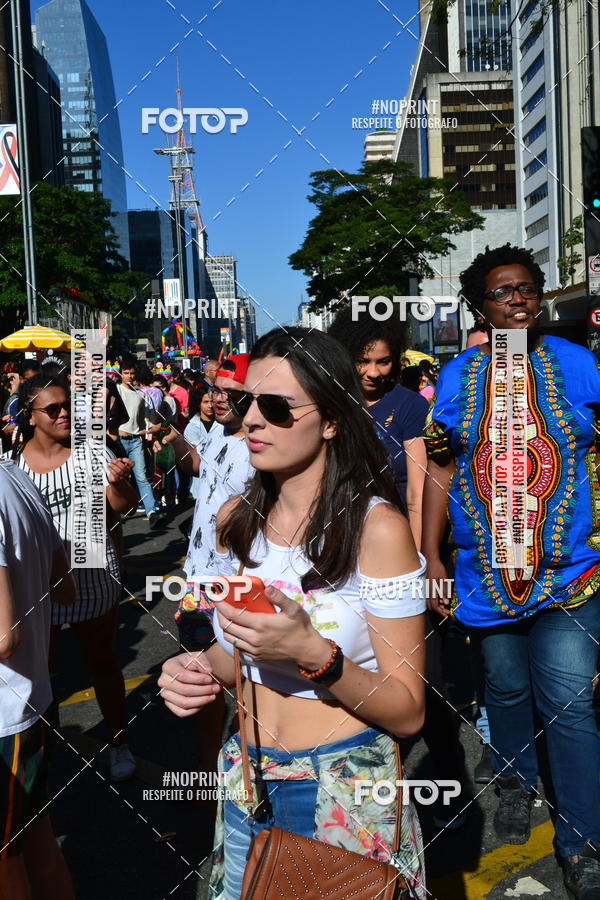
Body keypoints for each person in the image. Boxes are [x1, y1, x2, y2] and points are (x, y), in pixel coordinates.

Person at [159, 327, 427, 900]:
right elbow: (237, 657)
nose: (253, 420)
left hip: (343, 783)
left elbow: (408, 713)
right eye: (247, 403)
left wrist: (312, 652)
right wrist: (197, 670)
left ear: (330, 419)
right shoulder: (236, 520)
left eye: (277, 407)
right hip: (245, 776)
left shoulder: (378, 529)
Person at [422, 243, 600, 898]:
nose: (518, 299)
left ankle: (582, 843)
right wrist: (431, 554)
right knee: (505, 688)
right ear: (480, 306)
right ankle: (517, 782)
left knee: (571, 704)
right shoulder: (456, 377)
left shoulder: (579, 364)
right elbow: (439, 467)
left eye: (527, 287)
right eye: (502, 292)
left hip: (570, 572)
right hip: (486, 574)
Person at [7, 375, 141, 782]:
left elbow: (125, 507)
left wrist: (119, 483)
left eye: (67, 405)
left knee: (103, 661)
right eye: (52, 409)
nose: (64, 413)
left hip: (92, 572)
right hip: (36, 583)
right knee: (39, 671)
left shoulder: (93, 452)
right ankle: (43, 749)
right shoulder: (11, 462)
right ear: (30, 415)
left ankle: (118, 742)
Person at [160, 355, 254, 772]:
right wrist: (178, 439)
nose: (219, 399)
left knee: (252, 679)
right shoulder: (218, 429)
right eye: (216, 390)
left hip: (240, 581)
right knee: (202, 676)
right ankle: (209, 762)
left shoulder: (261, 443)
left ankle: (253, 765)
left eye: (231, 393)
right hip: (199, 579)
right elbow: (197, 466)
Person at [0, 459, 76, 900]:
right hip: (32, 702)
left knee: (7, 866)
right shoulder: (16, 476)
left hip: (6, 717)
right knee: (37, 840)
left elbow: (3, 635)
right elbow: (63, 587)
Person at [328, 306, 428, 549]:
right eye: (363, 361)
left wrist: (417, 556)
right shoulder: (330, 403)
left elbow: (417, 495)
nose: (373, 372)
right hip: (340, 540)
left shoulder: (410, 404)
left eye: (383, 362)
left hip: (395, 540)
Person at [117, 356, 165, 528]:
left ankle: (151, 511)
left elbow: (147, 418)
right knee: (119, 477)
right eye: (126, 373)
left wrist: (150, 433)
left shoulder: (140, 394)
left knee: (142, 476)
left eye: (131, 373)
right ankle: (118, 511)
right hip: (119, 440)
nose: (129, 376)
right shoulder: (116, 390)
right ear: (121, 374)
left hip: (136, 440)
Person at [183, 384, 215, 501]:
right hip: (202, 480)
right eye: (206, 402)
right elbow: (200, 456)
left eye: (212, 401)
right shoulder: (192, 428)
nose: (210, 405)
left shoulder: (222, 423)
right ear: (198, 404)